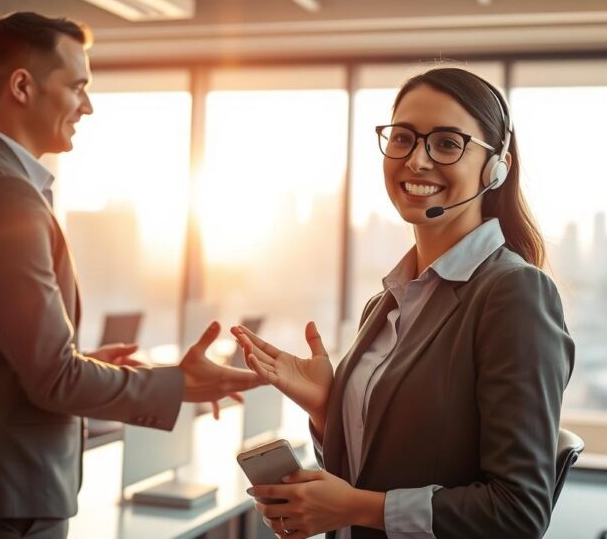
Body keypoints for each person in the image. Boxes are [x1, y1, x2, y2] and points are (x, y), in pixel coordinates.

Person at [0, 11, 262, 539]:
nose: (87, 106)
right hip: (5, 491)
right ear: (23, 86)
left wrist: (84, 362)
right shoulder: (4, 196)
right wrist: (176, 383)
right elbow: (52, 378)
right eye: (77, 86)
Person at [232, 67, 575, 539]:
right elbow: (381, 464)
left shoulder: (512, 293)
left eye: (447, 143)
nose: (416, 160)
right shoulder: (388, 301)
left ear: (496, 167)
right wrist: (328, 410)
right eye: (403, 138)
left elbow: (517, 513)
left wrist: (355, 507)